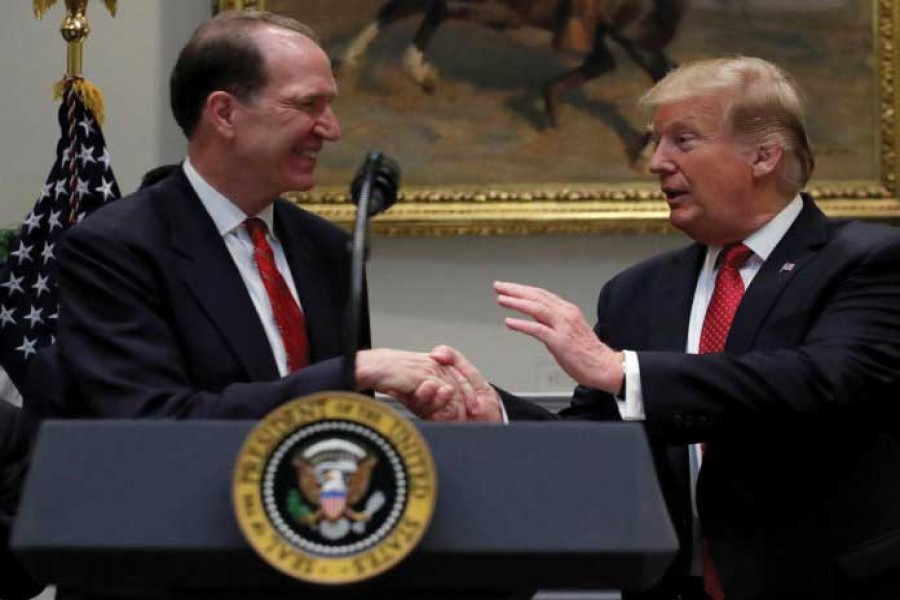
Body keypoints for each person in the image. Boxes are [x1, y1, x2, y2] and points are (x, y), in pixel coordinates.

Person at [403, 57, 900, 600]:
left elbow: (821, 381)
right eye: (656, 142)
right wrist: (492, 415)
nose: (655, 163)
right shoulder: (637, 292)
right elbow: (600, 438)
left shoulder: (868, 260)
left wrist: (622, 370)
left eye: (682, 141)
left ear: (763, 155)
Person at [35, 10, 462, 421]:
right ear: (224, 113)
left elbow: (346, 424)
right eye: (307, 105)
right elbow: (153, 421)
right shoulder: (116, 248)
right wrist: (349, 372)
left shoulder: (327, 248)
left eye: (328, 106)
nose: (331, 129)